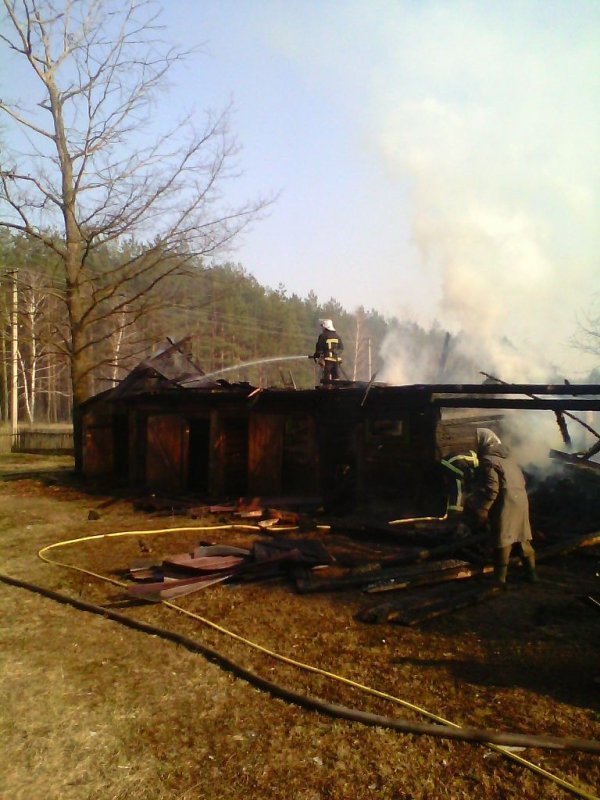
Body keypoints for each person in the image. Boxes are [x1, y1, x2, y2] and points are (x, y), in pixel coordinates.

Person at [469, 428, 537, 586]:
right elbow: (522, 480)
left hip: (506, 502)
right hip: (521, 500)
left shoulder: (488, 460)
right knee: (521, 538)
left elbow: (492, 487)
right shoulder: (509, 459)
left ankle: (499, 579)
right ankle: (532, 575)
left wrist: (484, 508)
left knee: (503, 539)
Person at [313, 319, 344, 383]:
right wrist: (336, 352)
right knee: (336, 379)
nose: (322, 328)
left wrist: (316, 356)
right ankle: (336, 391)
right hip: (336, 361)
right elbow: (341, 348)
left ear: (325, 327)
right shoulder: (337, 336)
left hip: (327, 361)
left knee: (326, 378)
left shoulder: (322, 336)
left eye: (322, 326)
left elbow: (319, 348)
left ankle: (326, 389)